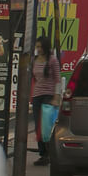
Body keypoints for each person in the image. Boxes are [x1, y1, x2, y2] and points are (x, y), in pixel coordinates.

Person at [30, 35, 59, 166]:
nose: (39, 49)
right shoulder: (34, 60)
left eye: (41, 47)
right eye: (37, 47)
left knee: (47, 126)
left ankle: (50, 152)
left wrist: (56, 97)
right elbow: (34, 78)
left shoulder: (52, 60)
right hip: (37, 96)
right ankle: (43, 154)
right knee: (38, 127)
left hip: (48, 96)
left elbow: (57, 80)